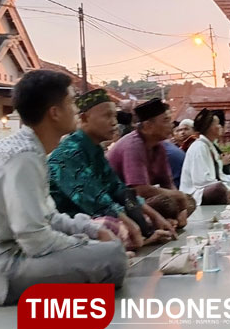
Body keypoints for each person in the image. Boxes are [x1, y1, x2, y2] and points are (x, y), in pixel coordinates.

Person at [0, 70, 127, 305]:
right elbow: (35, 240)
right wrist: (85, 242)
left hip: (14, 254)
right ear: (54, 113)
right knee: (112, 258)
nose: (76, 109)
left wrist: (90, 230)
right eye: (70, 102)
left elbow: (49, 217)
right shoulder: (23, 157)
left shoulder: (32, 150)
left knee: (106, 247)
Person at [49, 89, 175, 250]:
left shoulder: (95, 150)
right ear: (84, 118)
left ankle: (141, 236)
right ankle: (140, 239)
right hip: (74, 221)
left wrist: (154, 216)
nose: (114, 122)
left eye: (115, 116)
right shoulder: (67, 153)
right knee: (111, 226)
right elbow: (96, 202)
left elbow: (119, 189)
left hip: (100, 214)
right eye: (107, 116)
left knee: (158, 213)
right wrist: (134, 224)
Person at [107, 98, 195, 228]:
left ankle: (169, 222)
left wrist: (181, 207)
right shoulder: (133, 145)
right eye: (165, 120)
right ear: (148, 126)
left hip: (141, 201)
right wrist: (175, 196)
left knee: (189, 201)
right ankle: (156, 223)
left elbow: (167, 182)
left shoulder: (159, 146)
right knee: (167, 202)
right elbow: (140, 190)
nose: (171, 125)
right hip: (122, 204)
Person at [181, 108, 230, 205]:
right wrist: (227, 190)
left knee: (229, 185)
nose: (220, 127)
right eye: (217, 124)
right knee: (218, 188)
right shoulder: (199, 147)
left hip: (208, 188)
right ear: (209, 128)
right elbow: (201, 181)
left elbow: (221, 175)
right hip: (194, 194)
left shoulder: (210, 146)